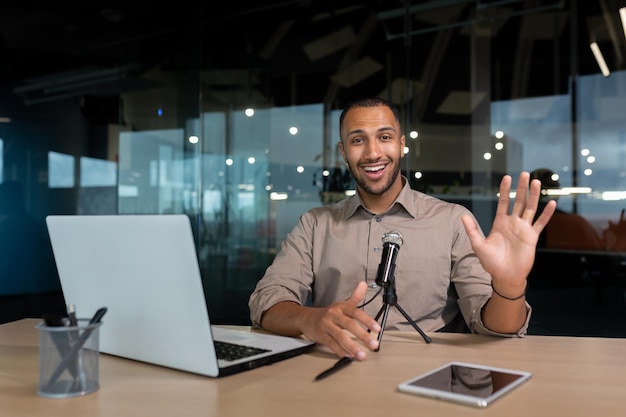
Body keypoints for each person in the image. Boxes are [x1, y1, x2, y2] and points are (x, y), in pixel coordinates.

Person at [248, 97, 556, 361]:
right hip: (337, 366)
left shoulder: (452, 220)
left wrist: (510, 285)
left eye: (384, 137)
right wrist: (312, 319)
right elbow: (267, 300)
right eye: (358, 140)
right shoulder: (314, 224)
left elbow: (495, 327)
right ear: (343, 152)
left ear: (401, 144)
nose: (372, 153)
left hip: (425, 376)